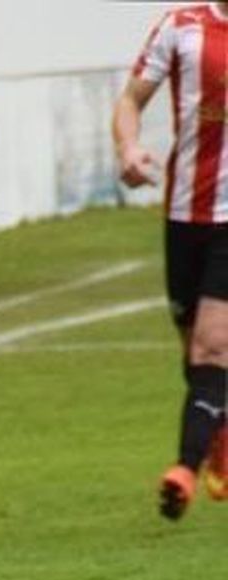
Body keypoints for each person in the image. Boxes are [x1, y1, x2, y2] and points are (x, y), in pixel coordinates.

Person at [115, 3, 228, 519]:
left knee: (210, 346)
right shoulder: (181, 26)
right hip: (184, 214)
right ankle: (220, 434)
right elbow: (131, 100)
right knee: (193, 353)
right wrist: (129, 149)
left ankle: (183, 469)